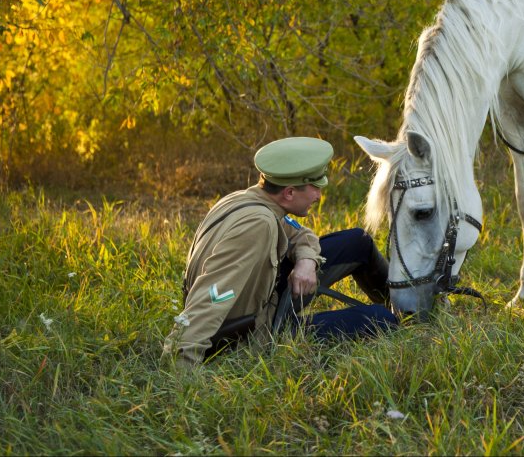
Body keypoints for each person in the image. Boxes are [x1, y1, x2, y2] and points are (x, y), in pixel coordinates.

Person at [162, 137, 396, 367]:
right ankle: (400, 318)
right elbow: (213, 293)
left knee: (358, 241)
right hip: (254, 333)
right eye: (315, 188)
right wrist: (180, 359)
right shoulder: (257, 225)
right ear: (290, 193)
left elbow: (300, 234)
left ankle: (404, 304)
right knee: (381, 320)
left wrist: (306, 261)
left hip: (266, 292)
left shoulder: (250, 201)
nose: (319, 196)